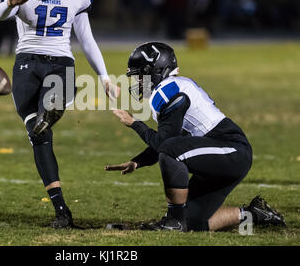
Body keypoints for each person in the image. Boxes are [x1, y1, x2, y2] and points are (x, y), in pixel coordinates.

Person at [0, 0, 119, 228]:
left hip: (61, 60)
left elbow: (86, 39)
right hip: (26, 62)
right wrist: (11, 3)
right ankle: (61, 210)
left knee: (57, 94)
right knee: (38, 135)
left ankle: (55, 104)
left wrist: (104, 76)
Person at [105, 42, 286, 232]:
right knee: (192, 222)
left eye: (140, 76)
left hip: (230, 148)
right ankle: (254, 214)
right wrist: (138, 161)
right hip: (225, 150)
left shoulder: (169, 91)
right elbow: (174, 138)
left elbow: (166, 144)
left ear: (155, 71)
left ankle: (173, 221)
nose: (138, 82)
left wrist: (134, 123)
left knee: (170, 150)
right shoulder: (175, 86)